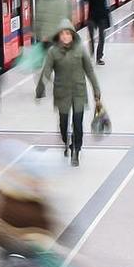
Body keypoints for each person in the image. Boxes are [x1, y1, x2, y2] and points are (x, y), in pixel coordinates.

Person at [36, 19, 101, 166]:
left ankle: (76, 150)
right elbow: (46, 70)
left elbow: (89, 70)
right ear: (58, 36)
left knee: (78, 122)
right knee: (63, 124)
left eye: (68, 33)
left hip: (78, 91)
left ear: (73, 35)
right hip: (61, 92)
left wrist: (96, 89)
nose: (65, 37)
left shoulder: (80, 49)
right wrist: (40, 88)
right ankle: (66, 141)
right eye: (62, 34)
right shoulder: (53, 52)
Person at [80, 0, 115, 64]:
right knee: (91, 33)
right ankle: (91, 49)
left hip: (103, 13)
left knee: (101, 36)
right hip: (92, 13)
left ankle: (99, 57)